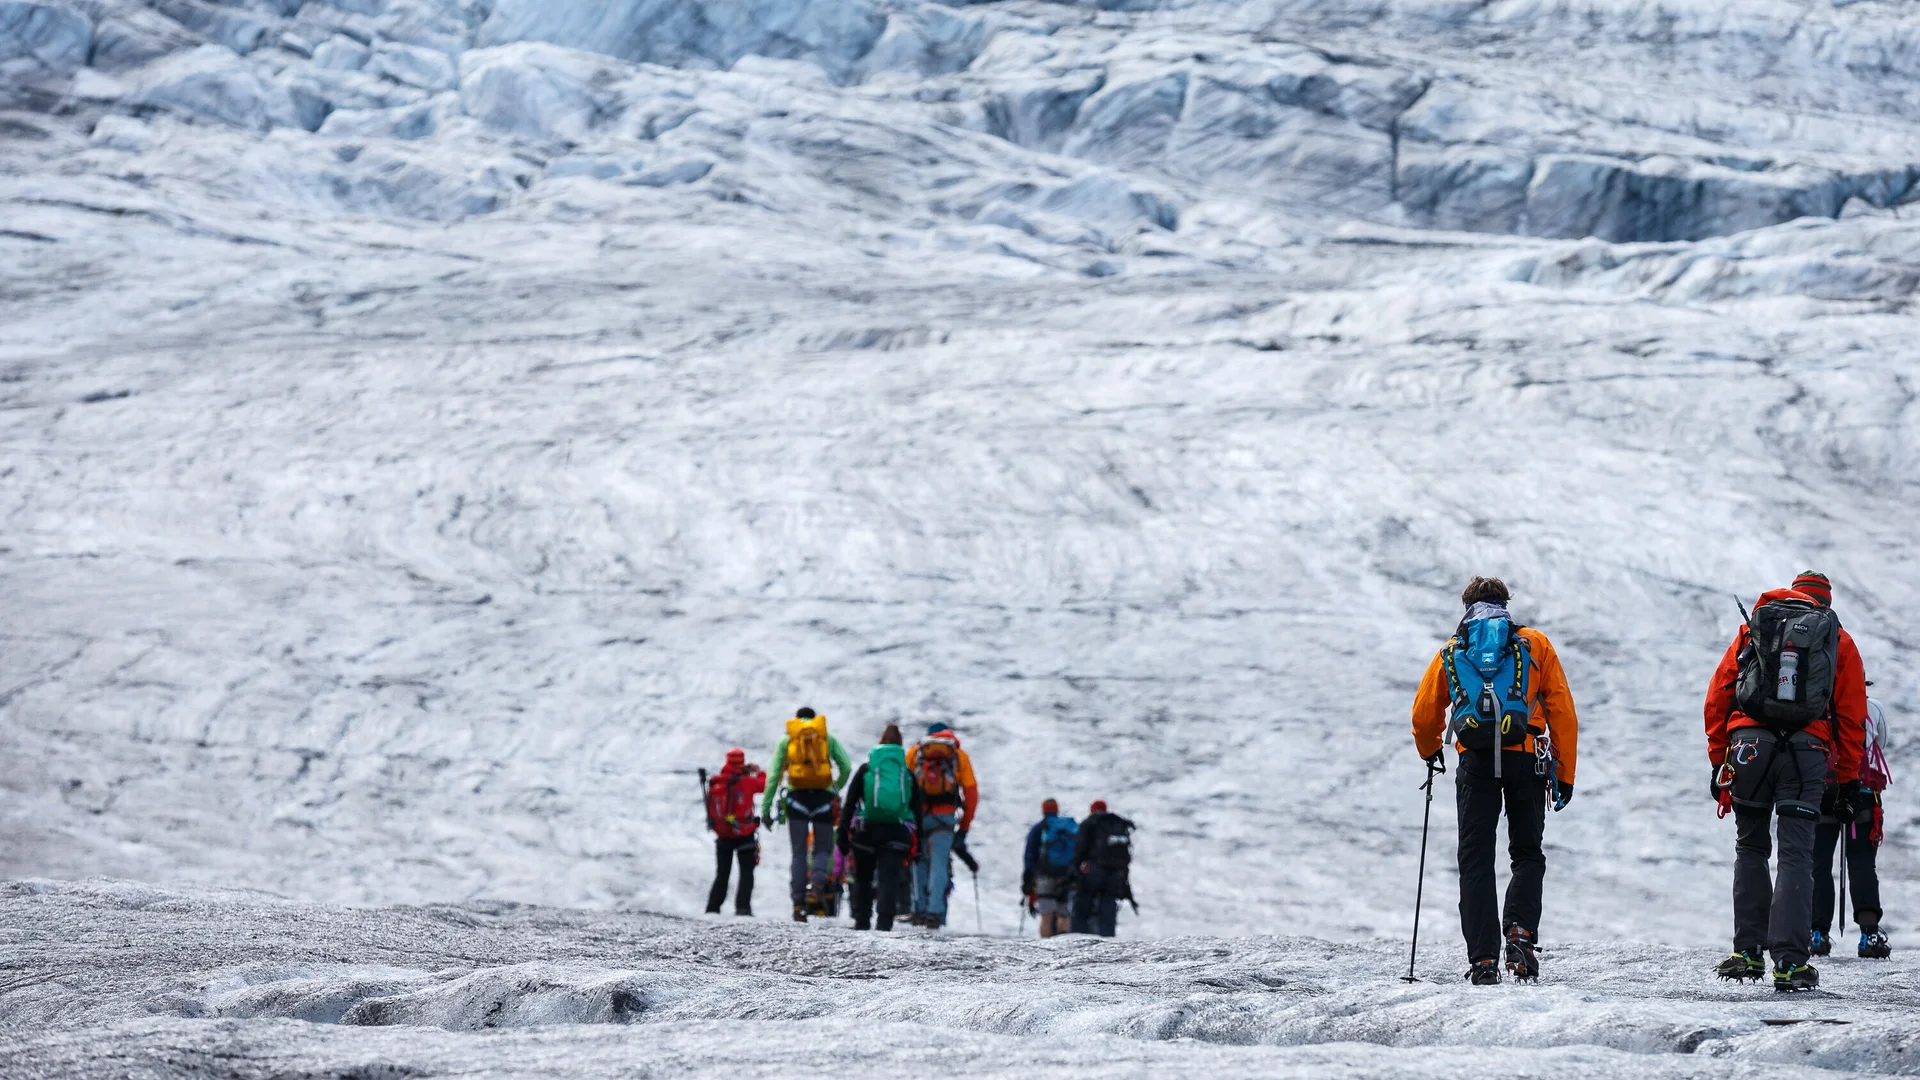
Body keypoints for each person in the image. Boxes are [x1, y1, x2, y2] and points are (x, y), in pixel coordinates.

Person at [1705, 571, 1868, 991]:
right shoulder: (1839, 640)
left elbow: (1719, 695)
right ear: (1826, 605)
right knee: (1797, 854)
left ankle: (1747, 952)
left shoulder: (1754, 627)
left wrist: (1719, 759)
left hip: (1748, 748)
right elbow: (1851, 717)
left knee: (1750, 846)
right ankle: (1791, 963)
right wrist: (1848, 780)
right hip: (1805, 753)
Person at [1412, 576, 1579, 985]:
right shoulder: (1535, 644)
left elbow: (1423, 717)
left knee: (1475, 859)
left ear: (1467, 607)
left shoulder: (1454, 649)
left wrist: (1431, 750)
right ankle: (1520, 935)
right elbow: (1562, 711)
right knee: (1526, 853)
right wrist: (1565, 773)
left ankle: (1483, 959)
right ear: (1506, 604)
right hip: (1526, 758)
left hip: (1476, 762)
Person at [1811, 695, 1893, 959]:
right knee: (1861, 862)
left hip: (1823, 791)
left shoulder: (1816, 702)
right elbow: (1882, 742)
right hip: (1861, 792)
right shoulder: (1872, 707)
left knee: (1818, 863)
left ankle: (1816, 933)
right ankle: (1869, 935)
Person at [759, 706, 853, 922]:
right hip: (823, 799)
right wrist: (834, 788)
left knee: (799, 852)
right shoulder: (826, 737)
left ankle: (798, 904)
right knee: (823, 848)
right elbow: (846, 767)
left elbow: (773, 775)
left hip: (797, 799)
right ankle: (817, 885)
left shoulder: (788, 739)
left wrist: (765, 809)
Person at [838, 723, 922, 931]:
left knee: (863, 876)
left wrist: (842, 832)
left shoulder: (867, 769)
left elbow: (850, 803)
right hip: (896, 833)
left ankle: (862, 920)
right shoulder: (906, 774)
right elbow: (918, 808)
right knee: (889, 878)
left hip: (866, 831)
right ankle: (884, 922)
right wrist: (919, 839)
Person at [904, 722, 979, 928]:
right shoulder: (957, 756)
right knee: (939, 864)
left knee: (918, 860)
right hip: (945, 818)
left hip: (917, 818)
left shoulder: (915, 753)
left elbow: (903, 786)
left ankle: (919, 908)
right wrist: (964, 826)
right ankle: (934, 912)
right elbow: (971, 794)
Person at [703, 748, 766, 916]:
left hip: (722, 834)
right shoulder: (746, 781)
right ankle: (743, 908)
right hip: (744, 832)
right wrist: (758, 771)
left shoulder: (717, 781)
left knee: (722, 873)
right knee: (746, 872)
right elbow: (765, 784)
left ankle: (713, 907)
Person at [1069, 800, 1134, 937]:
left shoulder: (1090, 823)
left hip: (1093, 869)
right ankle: (1107, 936)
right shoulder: (1116, 823)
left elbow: (1080, 848)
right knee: (1108, 901)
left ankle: (1080, 936)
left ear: (1092, 809)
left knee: (1083, 902)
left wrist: (1075, 870)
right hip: (1115, 871)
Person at [1022, 798, 1077, 937]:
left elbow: (1030, 856)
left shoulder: (1038, 829)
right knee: (1063, 914)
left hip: (1044, 876)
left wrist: (1028, 879)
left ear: (1043, 810)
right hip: (1066, 876)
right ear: (1057, 809)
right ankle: (1064, 945)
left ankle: (1046, 947)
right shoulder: (1068, 828)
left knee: (1046, 916)